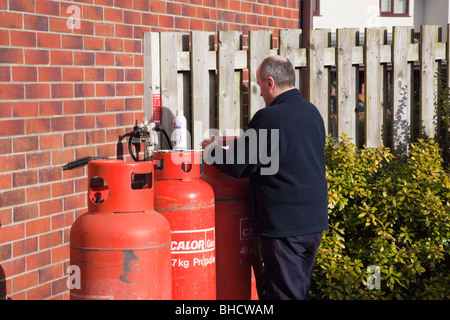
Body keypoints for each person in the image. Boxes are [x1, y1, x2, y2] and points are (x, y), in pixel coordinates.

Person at [202, 55, 328, 300]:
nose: (260, 92)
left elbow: (240, 165)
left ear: (270, 82)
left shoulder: (269, 117)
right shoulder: (312, 112)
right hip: (313, 222)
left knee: (285, 295)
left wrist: (211, 151)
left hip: (285, 227)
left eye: (260, 85)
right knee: (298, 290)